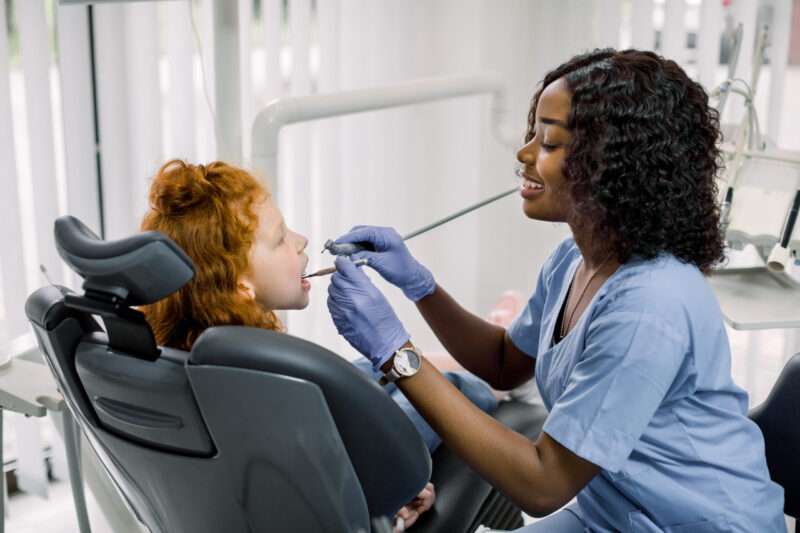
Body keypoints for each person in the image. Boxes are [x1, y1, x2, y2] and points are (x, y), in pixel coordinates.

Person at [326, 49, 787, 532]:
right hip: (614, 515)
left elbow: (543, 486)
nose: (524, 154)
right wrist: (418, 283)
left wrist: (395, 352)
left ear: (613, 164)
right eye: (532, 134)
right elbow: (504, 363)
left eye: (549, 142)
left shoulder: (650, 306)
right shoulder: (576, 259)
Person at [138, 159, 500, 530]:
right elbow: (347, 483)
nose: (302, 240)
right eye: (280, 239)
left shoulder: (184, 359)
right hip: (350, 481)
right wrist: (390, 500)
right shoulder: (270, 381)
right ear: (240, 284)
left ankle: (476, 348)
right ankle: (489, 378)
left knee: (362, 372)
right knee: (457, 389)